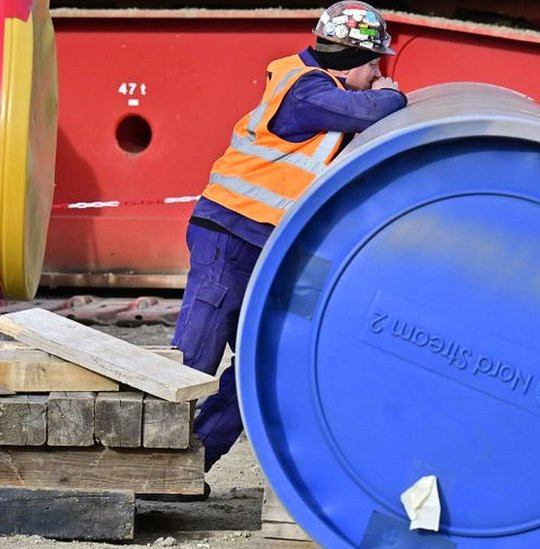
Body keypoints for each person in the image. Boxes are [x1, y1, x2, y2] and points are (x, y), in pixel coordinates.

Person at [172, 1, 407, 478]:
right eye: (373, 64)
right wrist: (391, 96)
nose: (378, 74)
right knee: (192, 361)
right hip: (228, 237)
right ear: (347, 56)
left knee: (265, 363)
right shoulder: (306, 90)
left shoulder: (321, 86)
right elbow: (365, 110)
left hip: (261, 246)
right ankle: (147, 462)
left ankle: (189, 465)